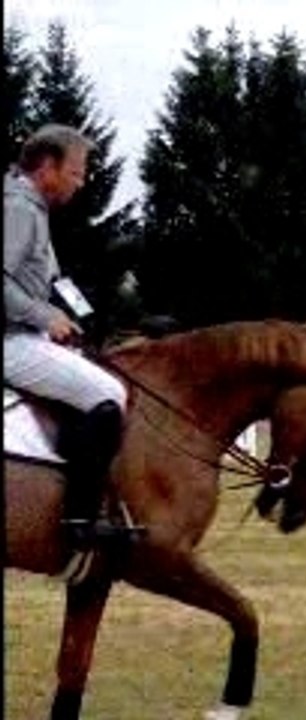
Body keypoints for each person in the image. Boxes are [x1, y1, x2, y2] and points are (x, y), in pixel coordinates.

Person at [4, 124, 138, 551]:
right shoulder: (19, 209)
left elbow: (56, 281)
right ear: (47, 166)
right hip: (10, 340)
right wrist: (45, 317)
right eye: (77, 173)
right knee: (108, 393)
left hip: (26, 334)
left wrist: (88, 321)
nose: (81, 183)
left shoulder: (32, 209)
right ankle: (78, 521)